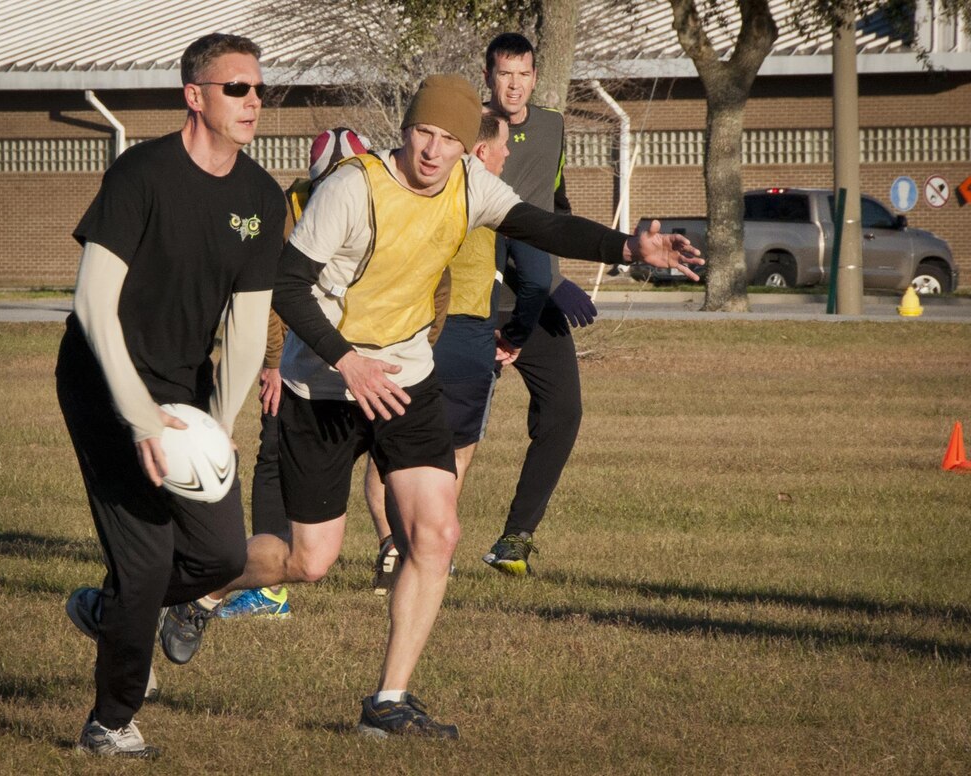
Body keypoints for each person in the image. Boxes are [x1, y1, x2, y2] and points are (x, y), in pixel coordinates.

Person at [162, 73, 701, 739]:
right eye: (424, 133)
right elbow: (288, 285)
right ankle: (195, 590)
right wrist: (347, 359)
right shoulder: (352, 187)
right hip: (326, 386)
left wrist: (626, 249)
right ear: (407, 130)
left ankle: (388, 703)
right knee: (310, 561)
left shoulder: (472, 184)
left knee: (438, 534)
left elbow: (542, 223)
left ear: (467, 147)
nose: (432, 151)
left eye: (450, 139)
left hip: (406, 380)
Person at [57, 32, 285, 758]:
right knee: (149, 560)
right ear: (195, 96)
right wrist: (136, 418)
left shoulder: (260, 195)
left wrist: (216, 427)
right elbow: (94, 304)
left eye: (259, 89)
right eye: (237, 89)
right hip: (104, 380)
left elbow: (248, 331)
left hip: (185, 391)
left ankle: (113, 609)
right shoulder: (140, 175)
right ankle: (110, 721)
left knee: (219, 556)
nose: (254, 101)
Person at [367, 109, 519, 595]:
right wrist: (516, 333)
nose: (508, 154)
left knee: (384, 457)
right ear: (479, 152)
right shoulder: (489, 205)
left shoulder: (413, 196)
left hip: (408, 336)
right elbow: (535, 278)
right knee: (452, 456)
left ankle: (394, 545)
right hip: (465, 340)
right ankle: (431, 552)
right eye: (502, 147)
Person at [220, 127, 369, 619]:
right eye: (334, 178)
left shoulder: (384, 200)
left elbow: (436, 287)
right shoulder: (286, 214)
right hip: (299, 363)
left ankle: (407, 561)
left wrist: (414, 351)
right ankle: (268, 587)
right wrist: (272, 364)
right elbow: (268, 298)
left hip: (369, 364)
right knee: (274, 456)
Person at [481, 31, 600, 577]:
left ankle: (515, 539)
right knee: (445, 426)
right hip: (480, 297)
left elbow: (556, 202)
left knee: (563, 412)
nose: (514, 84)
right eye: (504, 73)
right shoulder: (471, 129)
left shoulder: (552, 125)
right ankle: (404, 546)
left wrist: (556, 272)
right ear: (489, 77)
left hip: (539, 293)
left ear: (534, 76)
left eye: (523, 73)